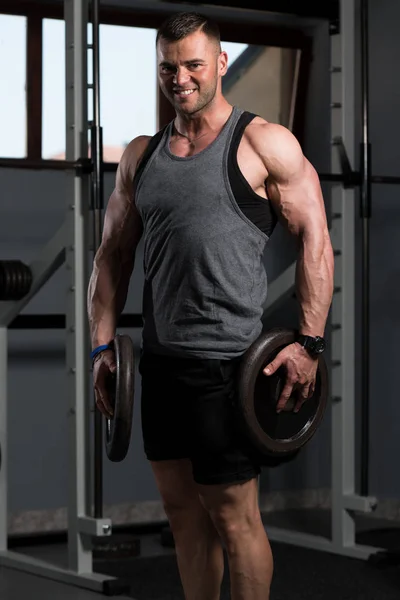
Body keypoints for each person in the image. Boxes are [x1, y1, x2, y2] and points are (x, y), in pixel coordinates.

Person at [87, 11, 334, 600]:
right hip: (162, 363)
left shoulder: (263, 143)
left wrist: (310, 343)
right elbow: (110, 258)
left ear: (220, 63)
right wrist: (101, 346)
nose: (181, 78)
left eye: (194, 64)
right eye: (169, 66)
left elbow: (316, 241)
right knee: (181, 513)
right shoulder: (142, 157)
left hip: (228, 367)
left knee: (233, 517)